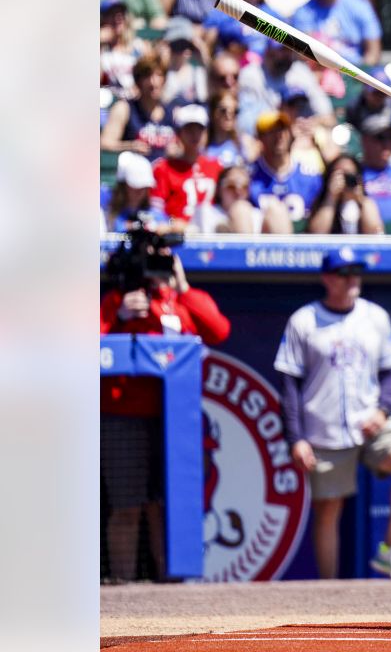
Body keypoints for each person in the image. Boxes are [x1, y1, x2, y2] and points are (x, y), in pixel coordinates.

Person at [275, 249, 391, 580]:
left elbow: (390, 371)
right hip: (322, 426)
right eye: (344, 272)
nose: (352, 278)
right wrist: (296, 438)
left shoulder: (375, 316)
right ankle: (329, 591)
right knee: (329, 509)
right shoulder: (304, 320)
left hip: (370, 420)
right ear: (327, 278)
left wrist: (384, 410)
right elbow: (289, 385)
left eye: (356, 271)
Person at [101, 234, 230, 581]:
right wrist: (120, 314)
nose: (159, 261)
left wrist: (181, 284)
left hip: (175, 418)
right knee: (127, 507)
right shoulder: (116, 300)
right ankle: (123, 587)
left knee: (167, 506)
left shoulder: (177, 299)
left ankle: (170, 589)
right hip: (122, 416)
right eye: (153, 256)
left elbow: (218, 329)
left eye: (165, 255)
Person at [151, 104, 223, 230]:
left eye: (199, 129)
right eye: (189, 129)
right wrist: (173, 224)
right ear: (179, 133)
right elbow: (156, 212)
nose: (195, 134)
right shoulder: (164, 168)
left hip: (212, 232)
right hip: (178, 234)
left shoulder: (216, 166)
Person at [249, 110, 324, 222]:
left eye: (283, 129)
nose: (279, 135)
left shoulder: (310, 176)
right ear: (260, 137)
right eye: (271, 131)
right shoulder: (249, 177)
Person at [101, 54, 177, 162]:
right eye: (147, 76)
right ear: (138, 81)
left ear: (164, 80)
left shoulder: (172, 112)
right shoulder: (125, 108)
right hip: (134, 173)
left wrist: (177, 150)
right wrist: (129, 147)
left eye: (158, 75)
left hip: (165, 174)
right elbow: (104, 143)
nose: (153, 83)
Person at [308, 154, 386, 234]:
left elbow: (375, 233)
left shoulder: (367, 203)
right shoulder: (323, 203)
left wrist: (361, 200)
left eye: (350, 175)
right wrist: (331, 198)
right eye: (341, 175)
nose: (345, 180)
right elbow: (317, 235)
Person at [102, 151, 171, 234]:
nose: (140, 192)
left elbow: (165, 224)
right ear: (123, 185)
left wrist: (165, 228)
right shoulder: (104, 204)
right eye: (135, 187)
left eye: (144, 187)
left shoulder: (154, 214)